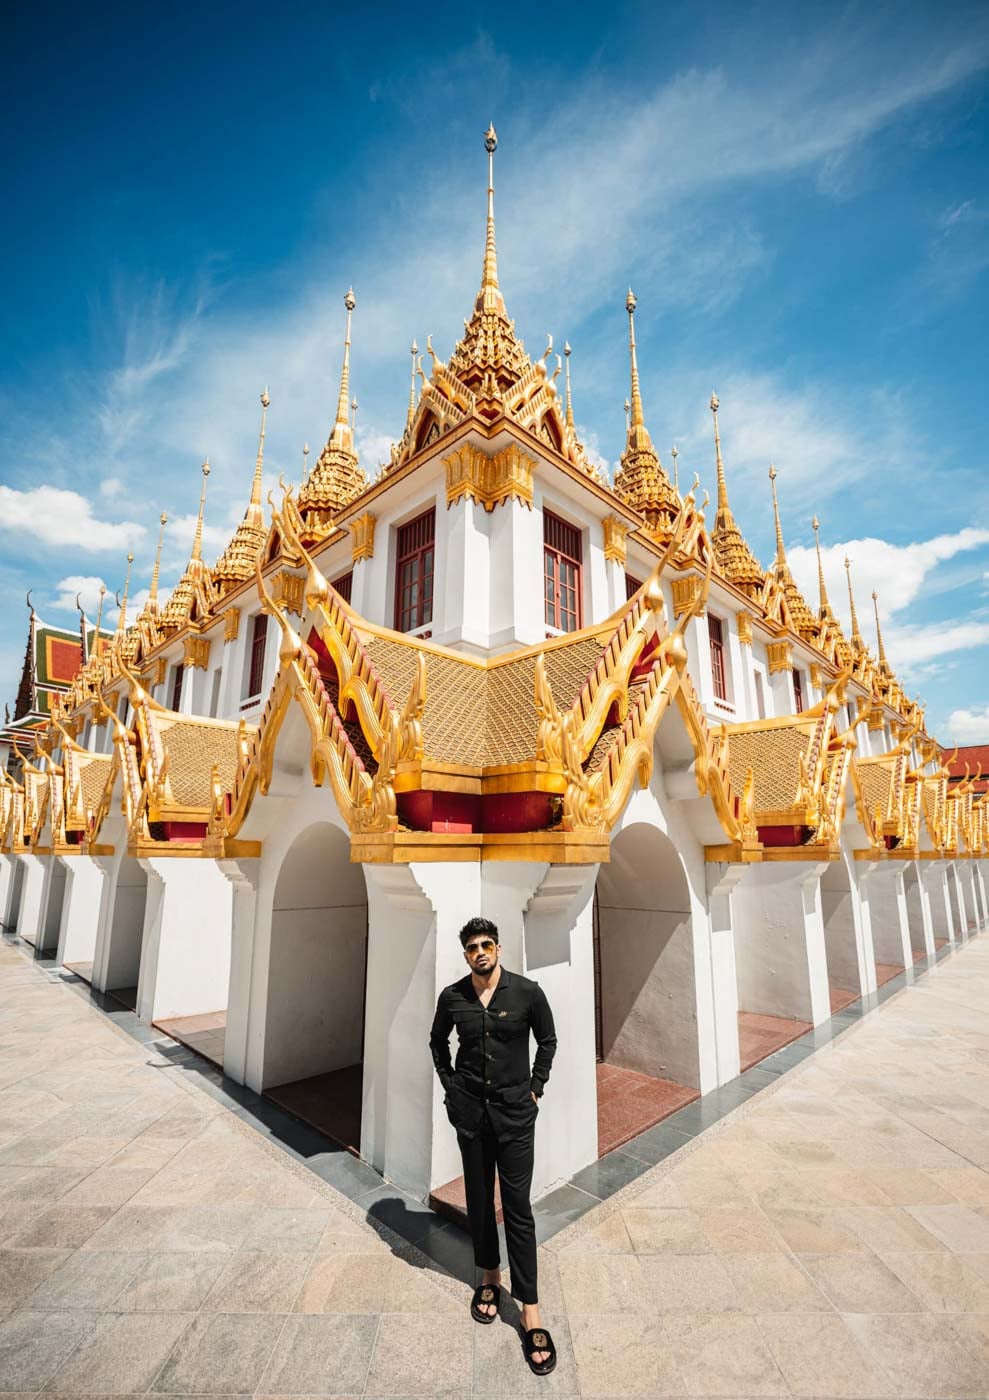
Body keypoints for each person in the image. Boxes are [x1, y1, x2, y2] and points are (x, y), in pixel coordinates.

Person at [429, 916, 558, 1377]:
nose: (480, 952)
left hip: (515, 1114)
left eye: (486, 944)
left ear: (499, 948)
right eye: (471, 947)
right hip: (471, 1114)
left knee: (518, 1207)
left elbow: (548, 1039)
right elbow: (436, 1041)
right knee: (480, 1201)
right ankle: (488, 1276)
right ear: (465, 955)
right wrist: (451, 1087)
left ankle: (530, 1310)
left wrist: (536, 1086)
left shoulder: (527, 993)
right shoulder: (454, 997)